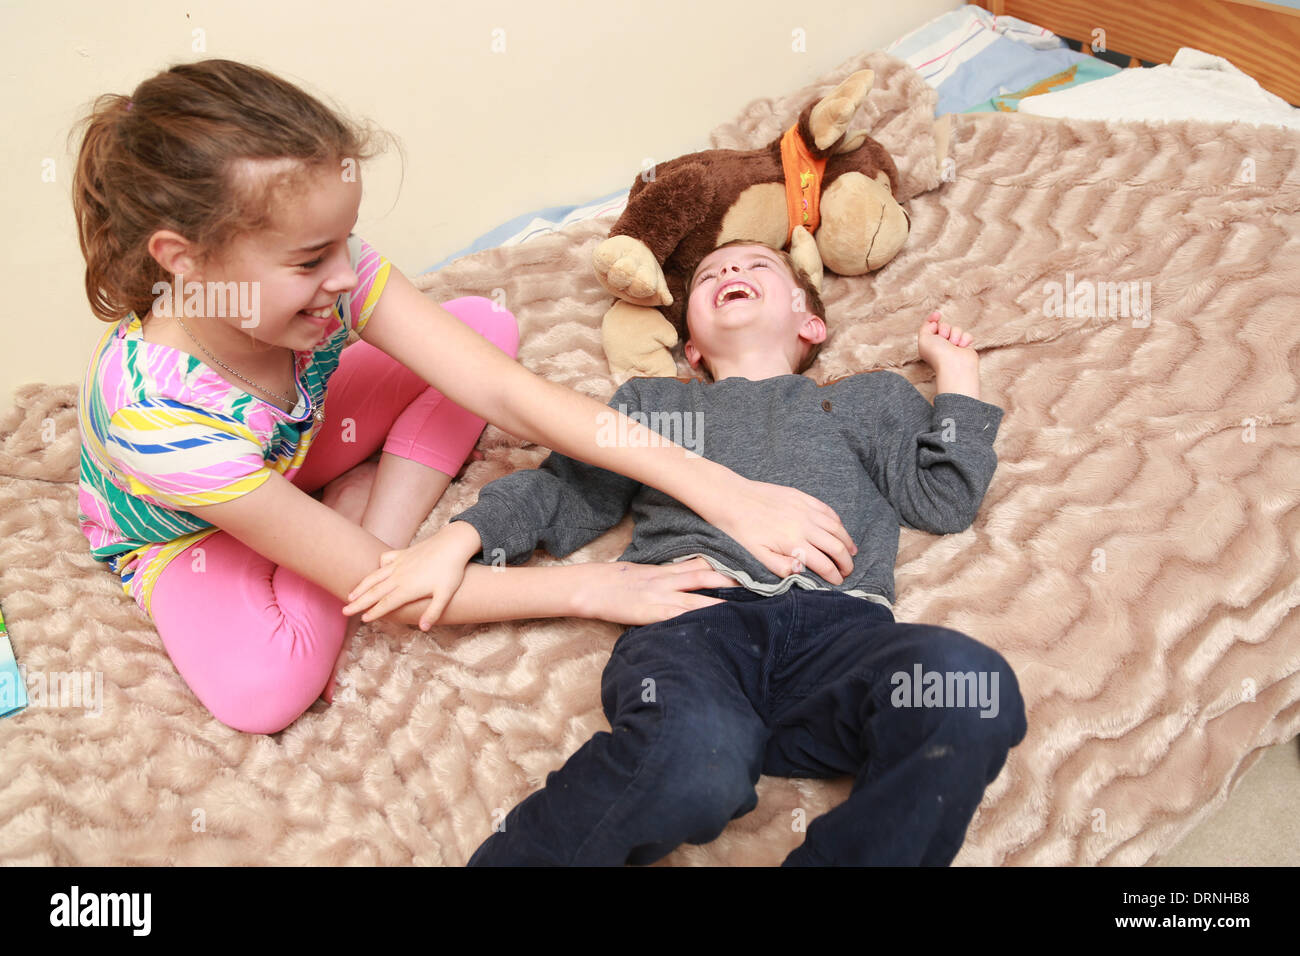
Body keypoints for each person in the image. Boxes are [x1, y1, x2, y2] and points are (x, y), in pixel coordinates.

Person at [71, 60, 858, 735]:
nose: (345, 275)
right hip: (197, 534)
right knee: (266, 689)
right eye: (312, 259)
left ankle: (363, 519)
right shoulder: (160, 422)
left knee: (483, 326)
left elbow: (506, 394)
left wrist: (722, 489)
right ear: (185, 260)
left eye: (345, 242)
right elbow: (384, 593)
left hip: (300, 443)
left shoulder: (325, 279)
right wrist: (592, 585)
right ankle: (363, 522)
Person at [348, 239, 1028, 866]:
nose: (730, 271)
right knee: (695, 759)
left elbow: (943, 500)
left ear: (810, 323)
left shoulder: (868, 398)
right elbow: (562, 493)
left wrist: (957, 376)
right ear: (692, 348)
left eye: (758, 265)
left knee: (971, 687)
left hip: (841, 633)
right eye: (709, 274)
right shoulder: (653, 404)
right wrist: (461, 538)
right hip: (695, 624)